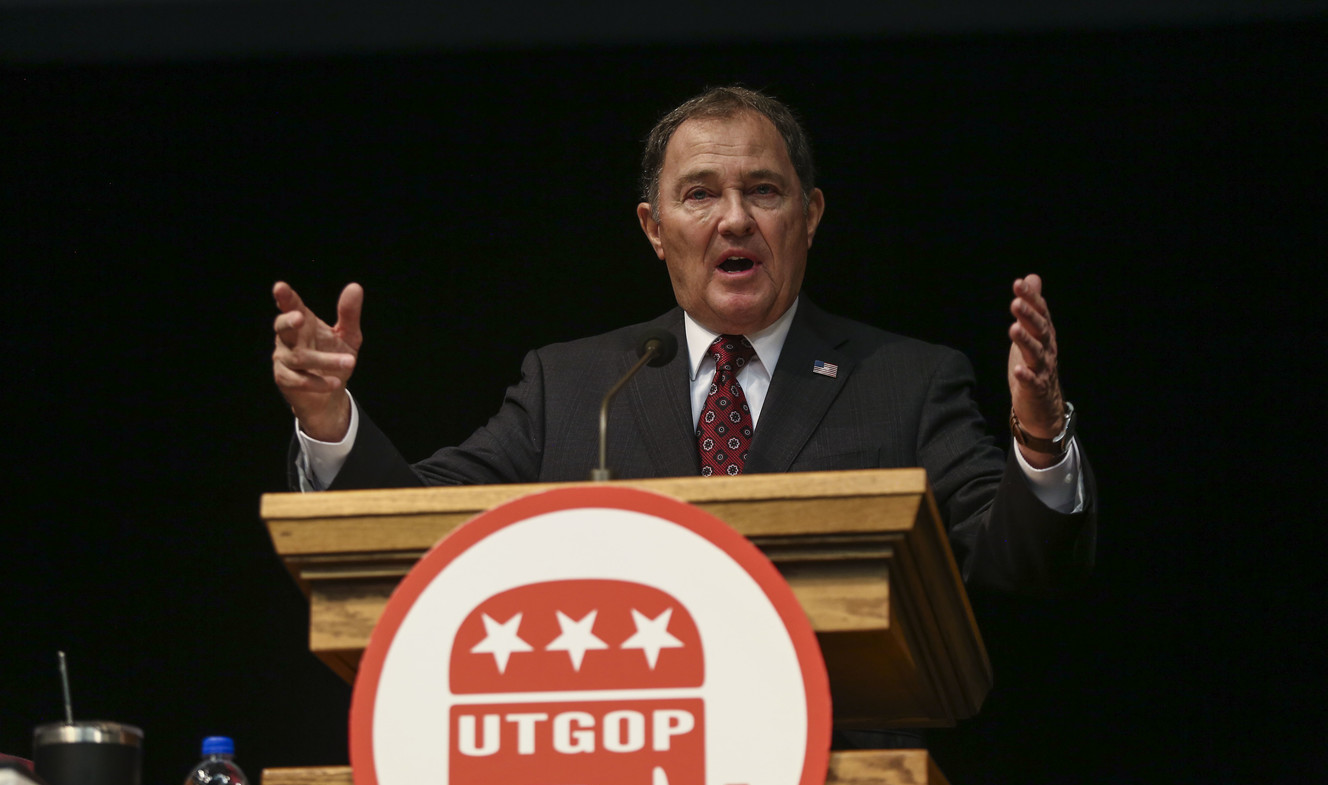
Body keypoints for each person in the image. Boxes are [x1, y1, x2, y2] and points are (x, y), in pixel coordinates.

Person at [271, 86, 1094, 600]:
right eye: (700, 194)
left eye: (763, 190)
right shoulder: (575, 385)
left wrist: (1039, 435)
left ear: (809, 216)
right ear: (654, 228)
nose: (734, 219)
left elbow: (1016, 563)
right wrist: (329, 420)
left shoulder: (906, 380)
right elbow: (417, 528)